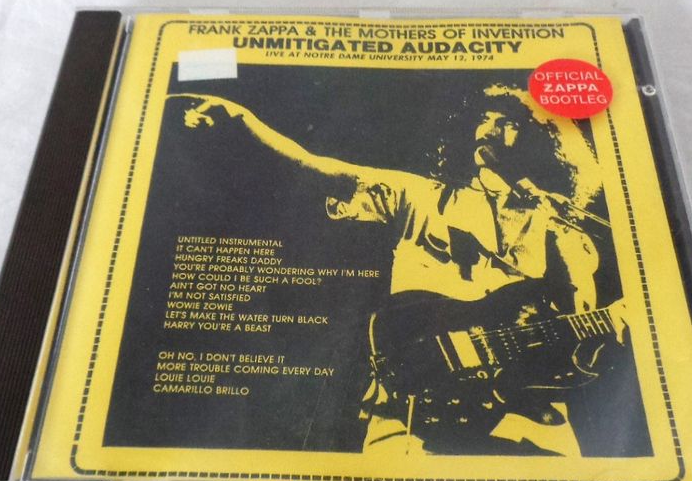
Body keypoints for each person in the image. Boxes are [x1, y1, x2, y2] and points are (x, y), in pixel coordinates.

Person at [172, 84, 628, 456]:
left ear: (548, 142)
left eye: (509, 119)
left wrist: (611, 319)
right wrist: (240, 121)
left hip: (532, 422)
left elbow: (575, 335)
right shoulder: (420, 197)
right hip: (412, 417)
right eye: (483, 116)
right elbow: (321, 172)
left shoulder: (565, 228)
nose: (487, 126)